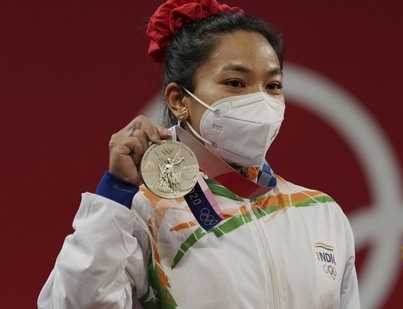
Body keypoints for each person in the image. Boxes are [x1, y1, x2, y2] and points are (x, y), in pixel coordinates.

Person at [37, 0, 361, 308]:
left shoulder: (320, 213)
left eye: (273, 85)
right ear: (179, 99)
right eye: (235, 83)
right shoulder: (144, 213)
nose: (261, 101)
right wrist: (115, 195)